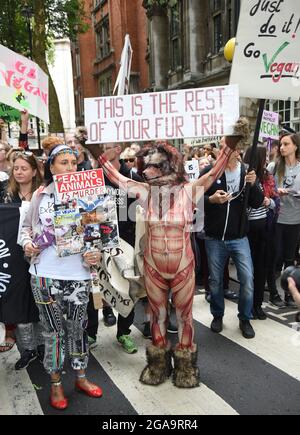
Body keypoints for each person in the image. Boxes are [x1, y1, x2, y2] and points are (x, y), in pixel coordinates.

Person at [20, 144, 102, 410]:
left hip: (78, 274)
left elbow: (98, 232)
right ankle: (55, 383)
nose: (70, 167)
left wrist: (95, 254)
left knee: (78, 327)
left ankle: (80, 376)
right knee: (53, 331)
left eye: (73, 162)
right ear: (51, 166)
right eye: (63, 162)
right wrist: (27, 244)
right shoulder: (40, 196)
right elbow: (25, 229)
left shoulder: (89, 195)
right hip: (44, 274)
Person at [204, 135, 264, 339]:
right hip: (214, 238)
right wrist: (210, 200)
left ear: (237, 151)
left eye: (226, 148)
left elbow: (256, 202)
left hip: (239, 237)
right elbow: (192, 197)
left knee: (247, 278)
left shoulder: (246, 172)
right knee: (215, 281)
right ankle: (217, 315)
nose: (221, 151)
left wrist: (254, 184)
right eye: (220, 147)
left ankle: (244, 317)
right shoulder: (211, 171)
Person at [0, 151, 44, 368]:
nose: (18, 172)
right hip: (13, 255)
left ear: (34, 171)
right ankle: (28, 349)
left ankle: (44, 345)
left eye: (23, 168)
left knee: (42, 300)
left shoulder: (45, 193)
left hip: (41, 254)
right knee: (19, 299)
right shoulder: (4, 194)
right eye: (15, 168)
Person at [244, 146, 281, 319]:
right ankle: (248, 306)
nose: (266, 159)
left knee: (261, 269)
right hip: (247, 232)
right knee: (247, 273)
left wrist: (269, 202)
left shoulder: (267, 177)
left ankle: (257, 305)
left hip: (265, 230)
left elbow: (275, 202)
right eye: (263, 156)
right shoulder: (244, 178)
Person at [270, 134, 300, 307]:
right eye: (281, 144)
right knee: (276, 258)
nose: (282, 147)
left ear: (295, 146)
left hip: (295, 220)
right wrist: (276, 192)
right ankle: (274, 293)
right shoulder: (274, 167)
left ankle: (290, 294)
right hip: (277, 219)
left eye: (286, 144)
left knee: (290, 259)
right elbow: (265, 190)